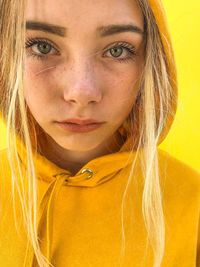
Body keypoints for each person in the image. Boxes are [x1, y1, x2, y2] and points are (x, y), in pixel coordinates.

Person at [0, 0, 200, 266]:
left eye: (117, 50)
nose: (81, 92)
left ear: (151, 60)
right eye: (42, 46)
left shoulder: (192, 206)